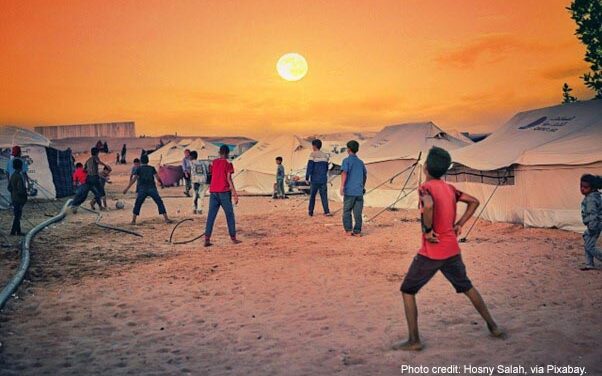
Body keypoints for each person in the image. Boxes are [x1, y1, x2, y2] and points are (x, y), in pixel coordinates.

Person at [393, 147, 504, 351]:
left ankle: (414, 340)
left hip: (431, 252)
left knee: (407, 291)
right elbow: (474, 201)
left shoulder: (425, 187)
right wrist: (460, 223)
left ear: (426, 167)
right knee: (467, 287)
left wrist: (427, 230)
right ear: (444, 170)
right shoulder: (450, 189)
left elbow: (427, 205)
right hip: (452, 249)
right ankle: (493, 325)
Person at [204, 145, 240, 247]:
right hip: (224, 192)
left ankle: (207, 238)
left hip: (213, 191)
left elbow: (211, 175)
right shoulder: (228, 163)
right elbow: (229, 179)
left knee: (211, 216)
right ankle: (233, 238)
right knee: (229, 215)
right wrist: (235, 194)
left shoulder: (214, 162)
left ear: (219, 152)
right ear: (228, 153)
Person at [123, 154, 172, 225]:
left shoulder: (139, 169)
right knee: (159, 202)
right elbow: (157, 177)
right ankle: (166, 219)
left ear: (141, 161)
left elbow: (134, 179)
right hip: (152, 188)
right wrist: (162, 184)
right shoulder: (151, 168)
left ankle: (133, 220)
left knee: (138, 203)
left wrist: (127, 188)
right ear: (148, 161)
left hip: (142, 189)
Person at [340, 140, 367, 236]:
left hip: (350, 191)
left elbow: (344, 173)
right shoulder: (360, 162)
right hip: (359, 191)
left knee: (347, 211)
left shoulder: (346, 161)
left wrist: (342, 186)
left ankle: (348, 230)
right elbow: (364, 175)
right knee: (357, 212)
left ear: (349, 149)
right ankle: (357, 231)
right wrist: (362, 186)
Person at [70, 147, 110, 211]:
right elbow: (98, 161)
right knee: (100, 192)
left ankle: (75, 205)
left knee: (84, 193)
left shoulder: (88, 160)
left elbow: (85, 170)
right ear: (97, 153)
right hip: (95, 178)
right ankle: (102, 207)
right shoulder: (95, 157)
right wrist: (105, 165)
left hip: (88, 179)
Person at [579, 174, 602, 270]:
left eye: (585, 187)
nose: (582, 189)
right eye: (581, 186)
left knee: (589, 246)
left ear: (592, 188)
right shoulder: (591, 197)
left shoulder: (591, 199)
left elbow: (593, 214)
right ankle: (589, 264)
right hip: (593, 224)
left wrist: (592, 226)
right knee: (587, 242)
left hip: (595, 224)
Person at [306, 139, 331, 216]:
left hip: (315, 179)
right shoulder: (325, 155)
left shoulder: (312, 155)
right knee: (324, 196)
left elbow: (309, 167)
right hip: (323, 179)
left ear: (314, 146)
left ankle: (310, 212)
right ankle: (327, 211)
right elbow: (327, 168)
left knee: (312, 196)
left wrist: (307, 178)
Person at [7, 158, 27, 236]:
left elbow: (9, 187)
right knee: (17, 216)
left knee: (17, 215)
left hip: (14, 198)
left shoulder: (12, 176)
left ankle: (18, 232)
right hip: (19, 199)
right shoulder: (19, 177)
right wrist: (25, 194)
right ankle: (13, 232)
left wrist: (13, 193)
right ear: (21, 166)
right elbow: (21, 190)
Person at [190, 150, 210, 214]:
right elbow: (206, 171)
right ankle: (199, 209)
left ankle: (194, 209)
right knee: (201, 195)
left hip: (195, 180)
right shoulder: (202, 163)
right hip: (203, 180)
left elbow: (192, 172)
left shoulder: (191, 163)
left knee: (195, 194)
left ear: (191, 156)